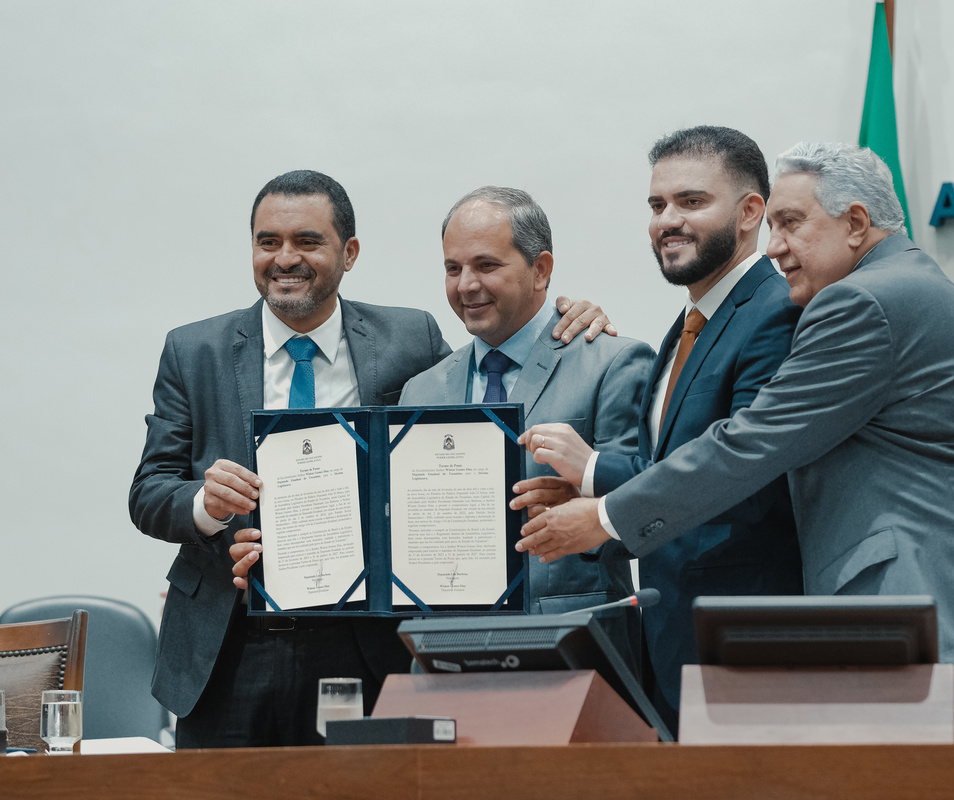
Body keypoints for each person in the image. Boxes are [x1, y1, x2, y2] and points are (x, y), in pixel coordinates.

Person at [516, 142, 954, 739]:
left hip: (951, 617)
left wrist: (605, 516)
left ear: (856, 223)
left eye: (791, 224)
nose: (775, 246)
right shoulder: (906, 283)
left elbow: (751, 442)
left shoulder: (862, 301)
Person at [129, 170, 613, 748]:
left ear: (348, 252)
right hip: (230, 641)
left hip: (368, 643)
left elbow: (484, 383)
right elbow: (150, 490)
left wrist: (567, 315)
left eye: (307, 241)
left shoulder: (408, 340)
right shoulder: (193, 350)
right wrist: (206, 507)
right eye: (267, 242)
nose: (285, 258)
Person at [237, 185, 655, 666]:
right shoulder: (424, 389)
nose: (466, 285)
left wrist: (588, 490)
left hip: (577, 646)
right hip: (444, 653)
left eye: (486, 266)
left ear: (541, 270)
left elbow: (652, 504)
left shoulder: (612, 363)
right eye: (452, 269)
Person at [512, 126, 802, 732]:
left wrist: (595, 481)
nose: (667, 219)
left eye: (691, 202)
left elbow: (740, 475)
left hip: (743, 637)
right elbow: (668, 461)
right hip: (674, 634)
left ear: (752, 212)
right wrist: (590, 496)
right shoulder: (690, 320)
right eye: (656, 205)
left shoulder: (775, 313)